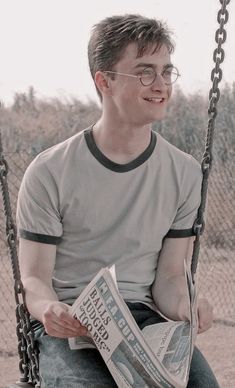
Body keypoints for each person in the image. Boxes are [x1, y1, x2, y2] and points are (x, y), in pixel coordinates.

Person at [16, 14, 219, 387]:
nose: (160, 85)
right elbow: (34, 278)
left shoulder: (185, 172)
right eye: (145, 72)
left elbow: (171, 276)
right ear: (104, 80)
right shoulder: (49, 172)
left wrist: (186, 307)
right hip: (71, 327)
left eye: (166, 71)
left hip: (145, 320)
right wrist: (48, 310)